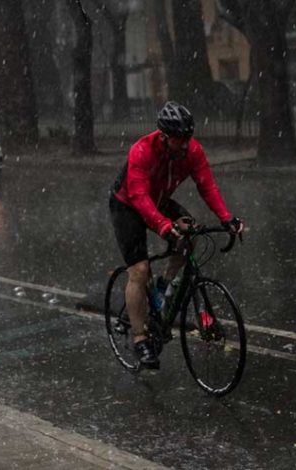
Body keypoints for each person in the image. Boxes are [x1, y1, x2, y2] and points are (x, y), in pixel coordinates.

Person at [109, 101, 243, 369]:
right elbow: (138, 196)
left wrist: (226, 218)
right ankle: (140, 339)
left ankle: (163, 286)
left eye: (187, 139)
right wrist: (161, 225)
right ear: (163, 137)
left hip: (158, 200)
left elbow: (207, 185)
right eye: (178, 140)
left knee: (190, 234)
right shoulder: (142, 151)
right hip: (128, 205)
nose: (184, 146)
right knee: (139, 270)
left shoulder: (192, 151)